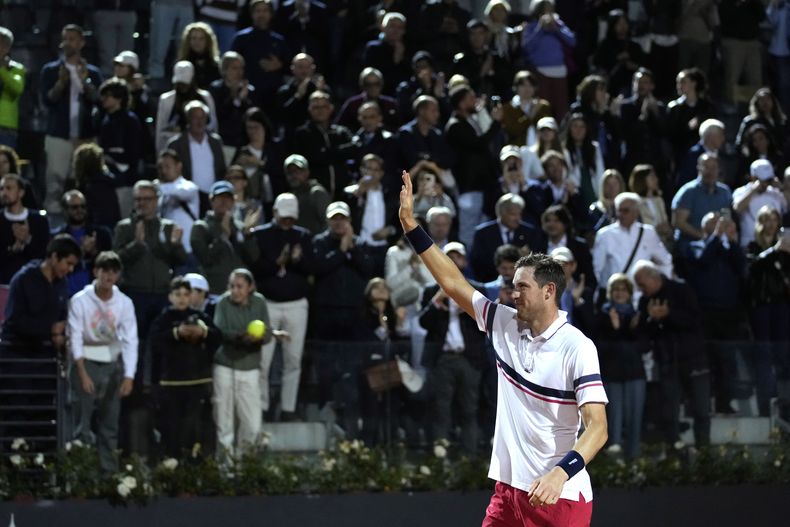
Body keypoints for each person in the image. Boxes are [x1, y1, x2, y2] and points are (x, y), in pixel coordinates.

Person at [398, 171, 608, 524]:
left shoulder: (577, 347)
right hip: (508, 493)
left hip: (559, 497)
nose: (513, 294)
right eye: (512, 287)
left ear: (548, 291)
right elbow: (452, 282)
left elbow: (597, 428)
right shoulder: (504, 323)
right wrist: (410, 225)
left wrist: (560, 473)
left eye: (522, 287)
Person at [68, 251, 138, 473]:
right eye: (104, 271)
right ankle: (80, 475)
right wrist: (81, 371)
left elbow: (130, 340)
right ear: (95, 271)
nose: (109, 276)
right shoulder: (79, 300)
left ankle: (109, 475)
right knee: (81, 423)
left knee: (110, 423)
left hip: (112, 364)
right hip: (85, 361)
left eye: (113, 272)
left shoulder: (125, 303)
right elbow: (75, 336)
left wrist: (129, 376)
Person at [633, 260, 711, 449]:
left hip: (694, 359)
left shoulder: (681, 290)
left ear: (654, 277)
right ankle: (674, 455)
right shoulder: (645, 301)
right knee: (669, 412)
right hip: (666, 361)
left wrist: (669, 313)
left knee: (701, 409)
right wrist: (652, 319)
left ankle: (704, 454)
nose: (641, 290)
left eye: (642, 284)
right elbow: (644, 334)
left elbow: (696, 320)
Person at [419, 242, 486, 453]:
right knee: (440, 411)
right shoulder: (431, 291)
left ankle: (470, 464)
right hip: (442, 359)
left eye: (457, 257)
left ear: (464, 261)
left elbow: (485, 322)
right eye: (448, 257)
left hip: (470, 359)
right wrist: (438, 300)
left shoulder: (476, 288)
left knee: (469, 410)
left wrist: (464, 303)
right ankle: (441, 464)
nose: (453, 261)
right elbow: (423, 323)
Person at [252, 192, 313, 421]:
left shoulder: (304, 236)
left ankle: (288, 408)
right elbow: (255, 268)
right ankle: (263, 406)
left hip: (296, 304)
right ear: (275, 213)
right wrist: (276, 263)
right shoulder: (261, 235)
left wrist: (298, 260)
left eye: (291, 218)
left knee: (293, 360)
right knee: (263, 359)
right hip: (268, 303)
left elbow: (312, 268)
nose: (288, 222)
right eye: (284, 217)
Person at [149, 276, 221, 457]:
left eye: (186, 294)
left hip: (198, 382)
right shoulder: (164, 319)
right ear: (170, 297)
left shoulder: (201, 317)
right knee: (172, 429)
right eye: (177, 294)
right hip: (171, 384)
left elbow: (217, 338)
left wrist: (202, 332)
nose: (182, 298)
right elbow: (155, 342)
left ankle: (196, 467)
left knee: (196, 429)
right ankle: (172, 466)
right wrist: (176, 332)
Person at [687, 211, 748, 415]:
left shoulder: (729, 248)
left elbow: (742, 267)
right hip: (705, 313)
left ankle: (724, 402)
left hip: (728, 313)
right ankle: (701, 405)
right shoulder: (695, 246)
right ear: (704, 227)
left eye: (720, 224)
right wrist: (715, 236)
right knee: (706, 361)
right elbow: (702, 261)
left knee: (727, 361)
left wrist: (730, 241)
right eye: (713, 223)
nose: (719, 226)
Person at [213, 268, 279, 455]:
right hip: (225, 366)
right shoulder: (223, 303)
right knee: (224, 422)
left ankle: (244, 467)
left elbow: (267, 332)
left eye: (240, 287)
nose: (235, 291)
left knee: (252, 424)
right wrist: (242, 337)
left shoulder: (259, 302)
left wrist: (257, 339)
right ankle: (224, 468)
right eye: (232, 286)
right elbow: (221, 330)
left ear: (250, 287)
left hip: (250, 367)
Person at [39, 25, 103, 214]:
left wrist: (85, 81)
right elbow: (48, 100)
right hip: (58, 135)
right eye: (65, 38)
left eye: (72, 39)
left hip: (85, 137)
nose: (67, 43)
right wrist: (61, 82)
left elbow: (97, 100)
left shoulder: (93, 72)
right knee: (54, 184)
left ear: (82, 42)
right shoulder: (50, 70)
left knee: (82, 182)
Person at [444, 84, 503, 248]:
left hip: (481, 185)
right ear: (461, 103)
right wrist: (496, 123)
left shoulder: (471, 120)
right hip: (469, 186)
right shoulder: (455, 125)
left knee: (482, 227)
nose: (475, 101)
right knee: (468, 231)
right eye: (470, 98)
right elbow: (479, 144)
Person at [745, 205, 790, 417]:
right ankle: (766, 398)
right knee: (764, 353)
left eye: (775, 220)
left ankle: (784, 400)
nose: (772, 224)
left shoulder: (786, 251)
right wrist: (775, 251)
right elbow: (753, 268)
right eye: (767, 220)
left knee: (783, 353)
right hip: (762, 306)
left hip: (782, 306)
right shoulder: (753, 246)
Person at [595, 273, 644, 459]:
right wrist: (615, 330)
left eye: (623, 289)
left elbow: (644, 345)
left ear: (630, 293)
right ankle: (614, 463)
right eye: (616, 289)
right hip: (612, 375)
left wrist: (631, 329)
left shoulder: (637, 316)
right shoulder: (603, 315)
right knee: (613, 420)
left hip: (635, 374)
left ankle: (633, 460)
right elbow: (601, 347)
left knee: (634, 420)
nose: (619, 293)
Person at [592, 192, 673, 303]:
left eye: (625, 211)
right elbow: (597, 268)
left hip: (642, 296)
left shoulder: (648, 233)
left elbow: (665, 261)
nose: (621, 214)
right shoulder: (604, 235)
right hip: (615, 297)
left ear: (636, 212)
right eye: (619, 210)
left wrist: (659, 286)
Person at [311, 201, 376, 340]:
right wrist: (341, 250)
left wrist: (351, 248)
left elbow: (368, 269)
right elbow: (318, 268)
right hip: (327, 310)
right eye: (335, 218)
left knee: (354, 355)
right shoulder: (319, 242)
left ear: (350, 220)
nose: (338, 222)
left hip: (355, 310)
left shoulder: (360, 243)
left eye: (342, 218)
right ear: (328, 221)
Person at [1, 234, 80, 346]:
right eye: (68, 263)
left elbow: (61, 316)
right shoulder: (23, 279)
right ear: (54, 257)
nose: (71, 269)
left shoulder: (62, 283)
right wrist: (50, 329)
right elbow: (14, 321)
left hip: (46, 351)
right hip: (17, 351)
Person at [191, 180, 259, 294]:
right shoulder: (201, 227)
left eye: (228, 198)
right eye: (219, 197)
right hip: (215, 290)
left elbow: (253, 258)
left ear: (233, 201)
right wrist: (223, 236)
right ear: (211, 200)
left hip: (241, 292)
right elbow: (205, 259)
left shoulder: (241, 227)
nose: (224, 201)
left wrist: (249, 236)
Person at [166, 100, 227, 214]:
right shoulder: (176, 144)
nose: (200, 122)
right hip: (187, 199)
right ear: (188, 119)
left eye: (203, 118)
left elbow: (222, 169)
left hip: (213, 198)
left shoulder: (215, 142)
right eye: (195, 118)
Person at [292, 91, 356, 199]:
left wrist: (329, 152)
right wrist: (340, 153)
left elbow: (355, 149)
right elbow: (316, 157)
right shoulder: (303, 134)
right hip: (315, 194)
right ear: (309, 109)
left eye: (324, 106)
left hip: (343, 192)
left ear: (331, 108)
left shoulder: (341, 132)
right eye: (316, 107)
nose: (320, 110)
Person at [230, 0, 289, 117]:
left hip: (273, 95)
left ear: (271, 14)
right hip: (248, 94)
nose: (261, 14)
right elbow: (231, 64)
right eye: (258, 11)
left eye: (265, 11)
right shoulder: (241, 38)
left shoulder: (279, 40)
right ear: (252, 14)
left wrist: (279, 65)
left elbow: (289, 66)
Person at [470, 193, 543, 283]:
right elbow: (477, 261)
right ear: (501, 213)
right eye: (513, 214)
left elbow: (537, 260)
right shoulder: (483, 233)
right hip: (490, 282)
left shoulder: (530, 232)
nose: (518, 218)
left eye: (519, 214)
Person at [672, 153, 733, 261]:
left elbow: (726, 218)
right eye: (706, 167)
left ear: (719, 170)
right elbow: (679, 222)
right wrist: (703, 236)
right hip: (691, 248)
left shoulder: (725, 192)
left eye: (713, 167)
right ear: (699, 168)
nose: (709, 171)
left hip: (717, 246)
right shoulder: (688, 192)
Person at [52, 189, 113, 297]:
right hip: (65, 294)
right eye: (74, 207)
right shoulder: (56, 237)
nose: (79, 210)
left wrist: (94, 252)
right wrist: (81, 252)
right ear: (65, 210)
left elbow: (109, 266)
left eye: (83, 206)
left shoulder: (102, 234)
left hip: (95, 294)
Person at [520, 1, 575, 118]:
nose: (549, 12)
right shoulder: (531, 26)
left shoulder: (559, 24)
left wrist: (556, 29)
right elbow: (527, 46)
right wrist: (540, 28)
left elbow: (572, 41)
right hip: (540, 72)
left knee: (561, 109)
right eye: (545, 9)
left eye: (551, 9)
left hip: (560, 72)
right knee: (543, 108)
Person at [97, 78, 143, 217]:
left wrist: (113, 158)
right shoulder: (105, 120)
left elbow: (134, 152)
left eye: (108, 95)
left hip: (125, 180)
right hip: (109, 180)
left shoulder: (130, 120)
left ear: (119, 98)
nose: (103, 99)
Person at [155, 60, 218, 153]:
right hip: (174, 149)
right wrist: (160, 153)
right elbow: (160, 128)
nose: (182, 87)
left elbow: (213, 124)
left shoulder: (205, 97)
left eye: (185, 83)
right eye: (179, 83)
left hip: (201, 146)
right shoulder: (166, 100)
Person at [0, 173, 50, 285]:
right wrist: (12, 249)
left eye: (9, 188)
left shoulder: (39, 220)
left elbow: (44, 254)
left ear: (21, 192)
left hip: (32, 284)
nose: (4, 193)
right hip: (3, 283)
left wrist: (27, 239)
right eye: (1, 189)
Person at [209, 51, 257, 155]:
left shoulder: (249, 91)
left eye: (241, 68)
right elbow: (219, 114)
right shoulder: (216, 89)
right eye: (235, 68)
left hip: (245, 141)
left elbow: (253, 115)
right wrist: (236, 98)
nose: (239, 72)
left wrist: (243, 99)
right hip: (224, 140)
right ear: (224, 70)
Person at [156, 149, 201, 258]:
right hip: (166, 248)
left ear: (178, 166)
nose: (163, 171)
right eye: (161, 167)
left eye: (167, 166)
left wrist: (156, 187)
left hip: (187, 247)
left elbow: (179, 192)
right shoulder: (160, 191)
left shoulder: (189, 187)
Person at [733, 159, 788, 248]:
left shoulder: (776, 192)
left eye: (769, 180)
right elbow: (737, 209)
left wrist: (781, 188)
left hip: (773, 243)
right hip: (750, 243)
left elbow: (787, 207)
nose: (766, 184)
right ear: (753, 177)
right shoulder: (741, 192)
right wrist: (753, 190)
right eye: (763, 180)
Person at [452, 19, 512, 97]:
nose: (477, 37)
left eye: (480, 33)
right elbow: (460, 86)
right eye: (473, 34)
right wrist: (481, 73)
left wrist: (493, 74)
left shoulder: (497, 58)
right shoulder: (461, 60)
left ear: (486, 35)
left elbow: (507, 83)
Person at [335, 67, 400, 132]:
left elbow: (399, 126)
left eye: (376, 84)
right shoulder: (352, 104)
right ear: (362, 85)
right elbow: (340, 127)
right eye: (368, 84)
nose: (373, 88)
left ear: (382, 84)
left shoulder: (390, 104)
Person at [275, 53, 327, 134]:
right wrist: (297, 96)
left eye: (307, 67)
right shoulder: (284, 91)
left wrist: (319, 92)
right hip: (292, 135)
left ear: (313, 69)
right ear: (293, 69)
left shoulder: (321, 89)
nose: (304, 70)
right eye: (300, 67)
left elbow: (330, 113)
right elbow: (281, 116)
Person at [362, 12, 411, 95]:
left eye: (400, 27)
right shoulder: (373, 48)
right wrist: (395, 61)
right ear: (382, 27)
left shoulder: (408, 49)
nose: (396, 30)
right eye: (392, 26)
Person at [501, 70, 552, 148]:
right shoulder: (507, 108)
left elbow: (548, 130)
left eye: (530, 85)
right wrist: (530, 115)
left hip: (539, 150)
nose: (527, 88)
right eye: (523, 85)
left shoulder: (543, 106)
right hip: (517, 152)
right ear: (516, 87)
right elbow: (513, 131)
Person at [283, 154, 331, 235]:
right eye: (289, 172)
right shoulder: (290, 196)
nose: (293, 175)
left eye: (297, 171)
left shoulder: (316, 193)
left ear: (307, 172)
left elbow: (328, 223)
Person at [148, 0, 195, 82]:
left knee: (185, 43)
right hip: (163, 3)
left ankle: (183, 76)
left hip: (187, 4)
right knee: (160, 42)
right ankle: (155, 77)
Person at [628, 164, 672, 248]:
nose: (656, 179)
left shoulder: (659, 200)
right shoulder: (634, 202)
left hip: (662, 243)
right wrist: (657, 229)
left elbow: (665, 223)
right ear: (642, 180)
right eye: (652, 177)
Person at [0, 27, 25, 148]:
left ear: (7, 47)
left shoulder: (16, 69)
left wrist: (1, 70)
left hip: (6, 127)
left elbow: (17, 89)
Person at [177, 22, 221, 90]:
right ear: (188, 40)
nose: (197, 42)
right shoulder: (181, 65)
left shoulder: (216, 65)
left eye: (201, 38)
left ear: (208, 41)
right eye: (194, 38)